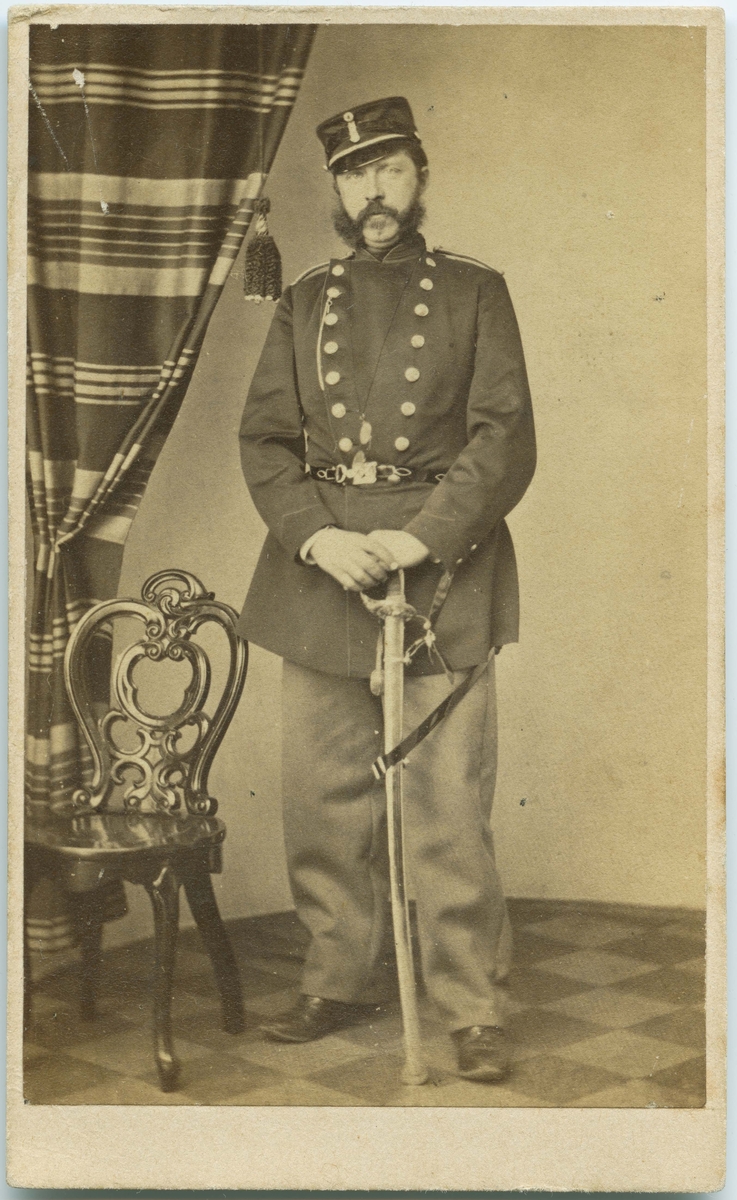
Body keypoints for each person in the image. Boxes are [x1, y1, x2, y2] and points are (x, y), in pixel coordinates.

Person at [237, 96, 536, 1082]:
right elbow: (265, 440)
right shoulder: (304, 299)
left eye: (390, 170)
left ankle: (471, 1005)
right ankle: (336, 978)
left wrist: (420, 539)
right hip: (324, 573)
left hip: (439, 572)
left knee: (446, 804)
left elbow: (502, 437)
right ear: (335, 188)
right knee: (322, 801)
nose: (372, 191)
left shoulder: (474, 291)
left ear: (419, 177)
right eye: (354, 173)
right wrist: (317, 536)